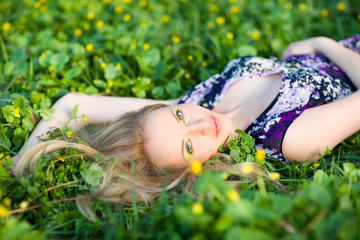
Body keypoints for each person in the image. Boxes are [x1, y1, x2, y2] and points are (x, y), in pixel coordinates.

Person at [11, 34, 360, 216]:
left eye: (178, 117)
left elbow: (74, 104)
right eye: (189, 147)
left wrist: (19, 164)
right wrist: (322, 44)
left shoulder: (195, 102)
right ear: (192, 170)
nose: (200, 124)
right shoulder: (288, 138)